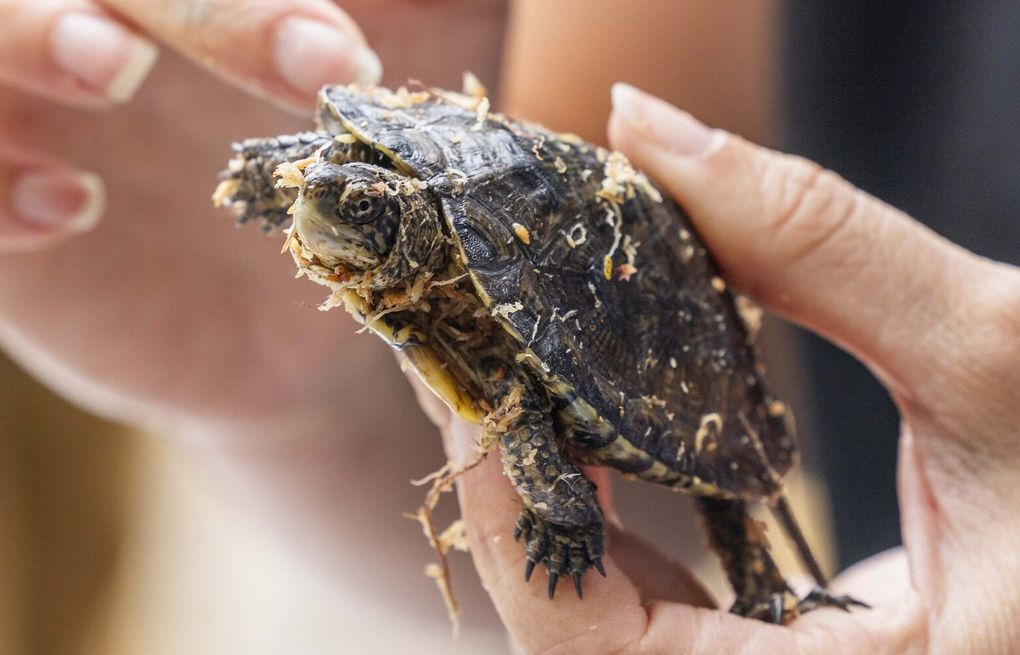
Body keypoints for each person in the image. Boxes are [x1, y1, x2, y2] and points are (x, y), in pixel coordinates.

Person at [1, 2, 1017, 652]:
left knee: (659, 465)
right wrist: (295, 394)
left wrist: (563, 519)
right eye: (328, 185)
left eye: (355, 206)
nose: (323, 194)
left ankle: (759, 566)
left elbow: (537, 425)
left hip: (665, 359)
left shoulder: (494, 326)